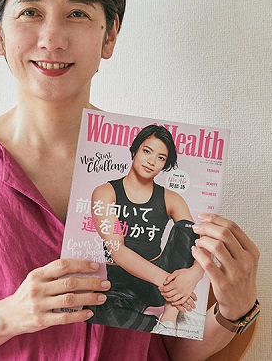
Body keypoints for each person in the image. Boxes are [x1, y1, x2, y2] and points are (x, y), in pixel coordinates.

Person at [0, 0, 259, 360]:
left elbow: (173, 349)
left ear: (110, 34)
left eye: (78, 13)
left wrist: (235, 307)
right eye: (30, 12)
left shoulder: (166, 171)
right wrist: (12, 314)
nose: (52, 39)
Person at [88, 125, 206, 337]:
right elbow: (117, 250)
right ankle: (155, 324)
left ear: (165, 164)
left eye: (161, 158)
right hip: (124, 285)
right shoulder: (105, 193)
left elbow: (196, 240)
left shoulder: (172, 198)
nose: (152, 161)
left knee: (187, 228)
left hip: (159, 282)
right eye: (147, 151)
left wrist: (194, 274)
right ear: (134, 150)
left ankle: (170, 317)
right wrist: (171, 284)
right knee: (96, 310)